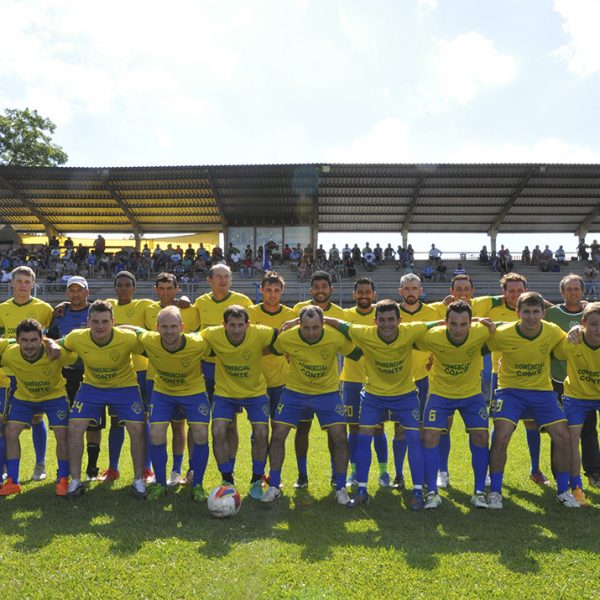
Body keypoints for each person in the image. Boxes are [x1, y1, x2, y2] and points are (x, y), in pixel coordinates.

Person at [323, 300, 428, 509]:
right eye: (382, 320)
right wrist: (296, 321)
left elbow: (440, 324)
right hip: (373, 395)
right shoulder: (365, 333)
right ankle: (361, 491)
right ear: (375, 321)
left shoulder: (411, 330)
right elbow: (335, 322)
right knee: (363, 438)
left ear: (400, 320)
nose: (387, 324)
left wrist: (477, 320)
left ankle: (417, 492)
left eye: (391, 319)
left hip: (405, 395)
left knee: (414, 438)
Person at [487, 292, 579, 508]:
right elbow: (474, 343)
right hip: (510, 391)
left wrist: (575, 331)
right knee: (501, 436)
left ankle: (563, 491)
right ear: (517, 313)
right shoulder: (503, 333)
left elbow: (568, 341)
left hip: (542, 392)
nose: (531, 316)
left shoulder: (552, 331)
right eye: (526, 312)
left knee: (563, 437)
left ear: (543, 313)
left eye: (535, 311)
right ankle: (495, 492)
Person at [262, 306, 361, 506]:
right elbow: (267, 350)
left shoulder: (335, 337)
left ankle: (341, 487)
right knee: (278, 434)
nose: (311, 332)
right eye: (306, 328)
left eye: (316, 327)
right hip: (294, 393)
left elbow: (358, 353)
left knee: (340, 437)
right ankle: (274, 485)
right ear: (299, 324)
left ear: (323, 323)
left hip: (327, 393)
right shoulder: (287, 338)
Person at [60, 300, 147, 499]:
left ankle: (139, 480)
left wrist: (134, 327)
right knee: (74, 427)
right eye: (96, 321)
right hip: (92, 388)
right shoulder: (76, 337)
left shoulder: (127, 338)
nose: (100, 326)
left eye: (105, 322)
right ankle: (75, 481)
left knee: (137, 428)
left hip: (124, 387)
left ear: (113, 322)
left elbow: (150, 341)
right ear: (88, 321)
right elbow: (57, 344)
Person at [130, 306, 212, 502]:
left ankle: (198, 484)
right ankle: (160, 484)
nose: (169, 331)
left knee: (200, 432)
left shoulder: (199, 343)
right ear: (157, 328)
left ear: (182, 327)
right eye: (164, 326)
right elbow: (132, 329)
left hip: (193, 391)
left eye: (174, 326)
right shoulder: (150, 340)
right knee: (157, 432)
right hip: (163, 391)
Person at [418, 301, 492, 509]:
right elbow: (411, 333)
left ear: (471, 323)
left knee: (481, 436)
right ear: (445, 323)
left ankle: (479, 492)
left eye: (463, 324)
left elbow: (511, 324)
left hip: (471, 395)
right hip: (441, 394)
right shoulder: (433, 336)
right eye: (453, 324)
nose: (458, 329)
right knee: (430, 436)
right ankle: (432, 492)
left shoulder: (481, 332)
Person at [202, 306, 274, 499]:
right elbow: (189, 339)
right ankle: (227, 478)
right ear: (223, 325)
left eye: (240, 325)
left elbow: (281, 336)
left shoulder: (261, 333)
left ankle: (256, 479)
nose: (236, 329)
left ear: (248, 325)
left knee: (261, 432)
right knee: (217, 430)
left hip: (255, 392)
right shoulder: (212, 334)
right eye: (231, 325)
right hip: (225, 393)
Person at [0, 319, 74, 497]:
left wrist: (52, 343)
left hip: (54, 397)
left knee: (62, 433)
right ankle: (13, 481)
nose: (29, 345)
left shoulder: (55, 352)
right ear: (17, 341)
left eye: (34, 340)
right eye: (24, 340)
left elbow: (79, 355)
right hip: (24, 398)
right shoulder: (9, 354)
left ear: (41, 339)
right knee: (10, 432)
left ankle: (63, 479)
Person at [193, 264, 252, 483]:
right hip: (204, 368)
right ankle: (193, 468)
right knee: (197, 421)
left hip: (229, 370)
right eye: (219, 277)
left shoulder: (243, 302)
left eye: (227, 277)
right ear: (210, 280)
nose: (223, 280)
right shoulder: (200, 302)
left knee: (230, 423)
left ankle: (230, 467)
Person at [144, 272, 200, 486]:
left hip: (185, 379)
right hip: (155, 377)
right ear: (156, 290)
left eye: (170, 288)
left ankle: (177, 470)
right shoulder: (148, 309)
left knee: (179, 426)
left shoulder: (190, 310)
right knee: (155, 426)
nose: (165, 292)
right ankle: (150, 471)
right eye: (161, 288)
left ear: (177, 289)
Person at [291, 271, 345, 488]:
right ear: (311, 289)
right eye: (317, 287)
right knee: (302, 429)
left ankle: (334, 474)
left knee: (334, 432)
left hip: (328, 386)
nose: (320, 290)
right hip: (301, 383)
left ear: (330, 289)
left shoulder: (340, 313)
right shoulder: (299, 310)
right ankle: (302, 475)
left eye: (325, 286)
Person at [546, 274, 600, 490]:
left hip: (590, 386)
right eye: (569, 289)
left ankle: (594, 471)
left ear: (582, 291)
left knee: (589, 430)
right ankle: (566, 478)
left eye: (576, 288)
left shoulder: (591, 311)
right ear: (562, 292)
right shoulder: (551, 314)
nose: (573, 292)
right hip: (563, 382)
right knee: (563, 432)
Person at [0, 266, 54, 481]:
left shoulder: (45, 309)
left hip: (34, 374)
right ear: (11, 283)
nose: (22, 285)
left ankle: (40, 465)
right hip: (6, 375)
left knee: (36, 417)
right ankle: (4, 469)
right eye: (19, 281)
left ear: (33, 284)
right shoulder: (2, 309)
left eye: (27, 281)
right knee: (4, 423)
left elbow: (52, 338)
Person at [103, 271, 154, 483]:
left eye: (127, 285)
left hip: (141, 372)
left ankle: (147, 468)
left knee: (143, 421)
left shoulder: (144, 305)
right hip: (117, 372)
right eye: (120, 285)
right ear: (115, 288)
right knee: (116, 422)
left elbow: (165, 306)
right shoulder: (107, 304)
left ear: (134, 288)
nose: (123, 288)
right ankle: (113, 468)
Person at [47, 276, 100, 480]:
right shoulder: (59, 314)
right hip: (64, 375)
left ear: (87, 292)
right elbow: (50, 341)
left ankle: (92, 469)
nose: (76, 294)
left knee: (93, 424)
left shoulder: (96, 312)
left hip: (89, 374)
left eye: (80, 290)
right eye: (72, 290)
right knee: (67, 425)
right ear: (67, 293)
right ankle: (66, 468)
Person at [340, 278, 391, 489]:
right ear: (354, 295)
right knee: (353, 429)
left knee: (378, 429)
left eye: (367, 292)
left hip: (376, 382)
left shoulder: (383, 314)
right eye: (360, 292)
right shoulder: (344, 315)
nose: (363, 295)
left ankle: (384, 472)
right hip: (351, 380)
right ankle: (353, 473)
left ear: (374, 294)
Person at [395, 274, 439, 489]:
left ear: (421, 291)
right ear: (400, 291)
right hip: (397, 379)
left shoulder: (433, 313)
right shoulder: (391, 312)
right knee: (399, 429)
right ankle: (398, 474)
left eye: (414, 288)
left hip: (424, 379)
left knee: (422, 429)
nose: (411, 292)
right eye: (407, 288)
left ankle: (420, 474)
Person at [554, 302, 600, 506]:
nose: (598, 329)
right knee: (572, 439)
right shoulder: (572, 341)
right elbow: (555, 350)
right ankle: (576, 487)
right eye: (594, 324)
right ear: (583, 324)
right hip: (576, 397)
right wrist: (570, 332)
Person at [247, 272, 296, 421]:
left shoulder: (291, 315)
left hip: (282, 380)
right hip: (256, 381)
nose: (272, 295)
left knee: (279, 426)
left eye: (276, 290)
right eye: (269, 290)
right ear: (261, 290)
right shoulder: (250, 313)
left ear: (282, 291)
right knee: (258, 427)